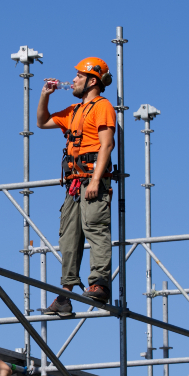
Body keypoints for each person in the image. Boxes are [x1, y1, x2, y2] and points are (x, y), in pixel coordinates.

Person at [35, 57, 116, 316]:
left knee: (95, 228)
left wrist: (95, 180)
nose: (75, 80)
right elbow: (42, 122)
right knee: (68, 237)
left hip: (92, 180)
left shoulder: (102, 107)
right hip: (74, 183)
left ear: (92, 80)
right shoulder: (74, 110)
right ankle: (65, 294)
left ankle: (99, 284)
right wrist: (45, 95)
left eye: (80, 76)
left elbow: (107, 144)